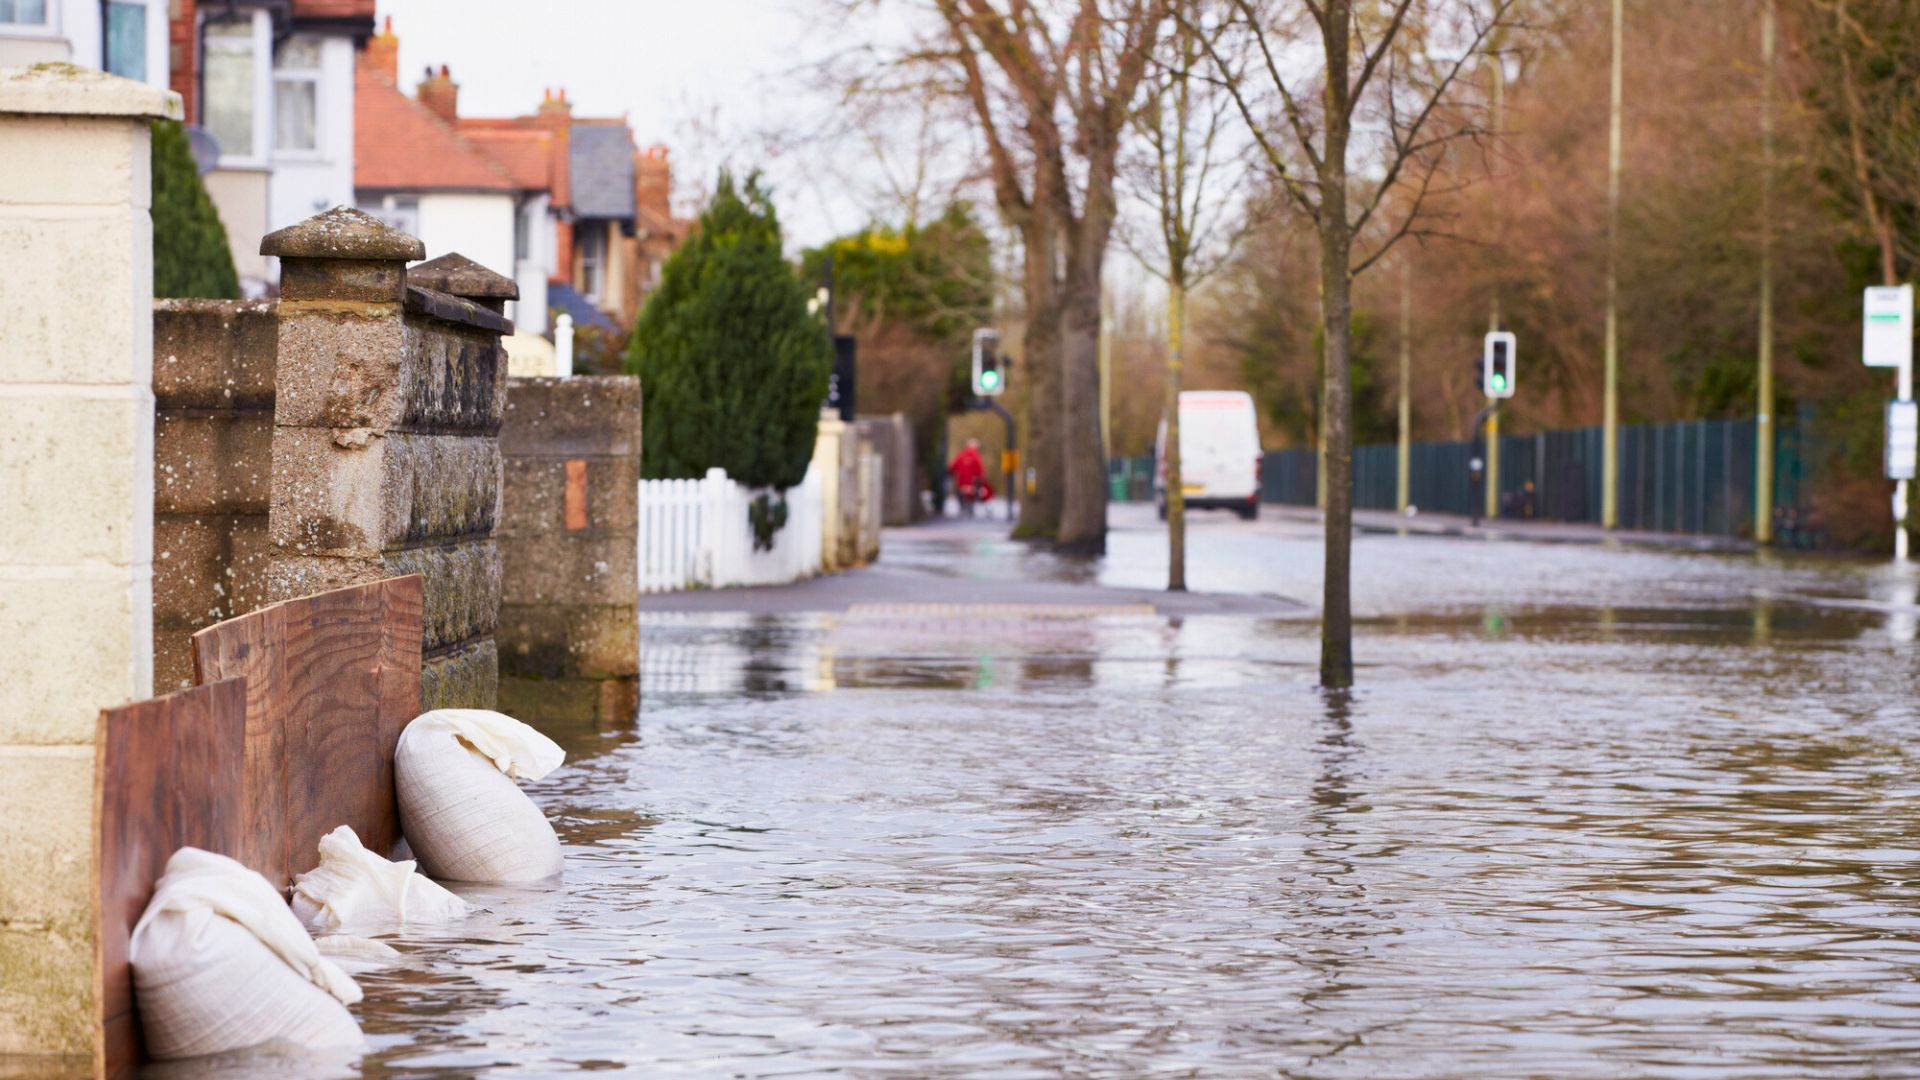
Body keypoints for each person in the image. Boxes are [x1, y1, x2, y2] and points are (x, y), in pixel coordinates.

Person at [948, 438, 988, 517]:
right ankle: (970, 507)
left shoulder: (961, 454)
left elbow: (953, 466)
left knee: (962, 492)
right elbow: (980, 469)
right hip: (972, 480)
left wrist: (950, 473)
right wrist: (981, 478)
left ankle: (963, 507)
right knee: (971, 492)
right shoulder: (976, 456)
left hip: (961, 479)